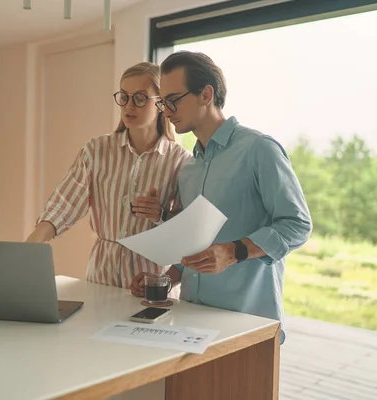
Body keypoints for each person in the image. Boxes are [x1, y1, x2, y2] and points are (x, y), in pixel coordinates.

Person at [130, 51, 312, 343]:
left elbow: (297, 225)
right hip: (189, 321)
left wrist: (234, 251)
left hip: (247, 324)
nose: (166, 111)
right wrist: (167, 278)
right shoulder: (188, 169)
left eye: (173, 100)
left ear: (206, 94)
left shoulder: (259, 149)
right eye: (163, 102)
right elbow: (195, 245)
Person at [26, 61, 192, 288]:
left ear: (161, 104)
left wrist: (160, 214)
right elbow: (66, 202)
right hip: (101, 275)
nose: (128, 106)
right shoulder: (96, 150)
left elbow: (187, 229)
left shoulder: (180, 160)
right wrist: (32, 243)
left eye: (140, 98)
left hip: (151, 280)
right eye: (124, 97)